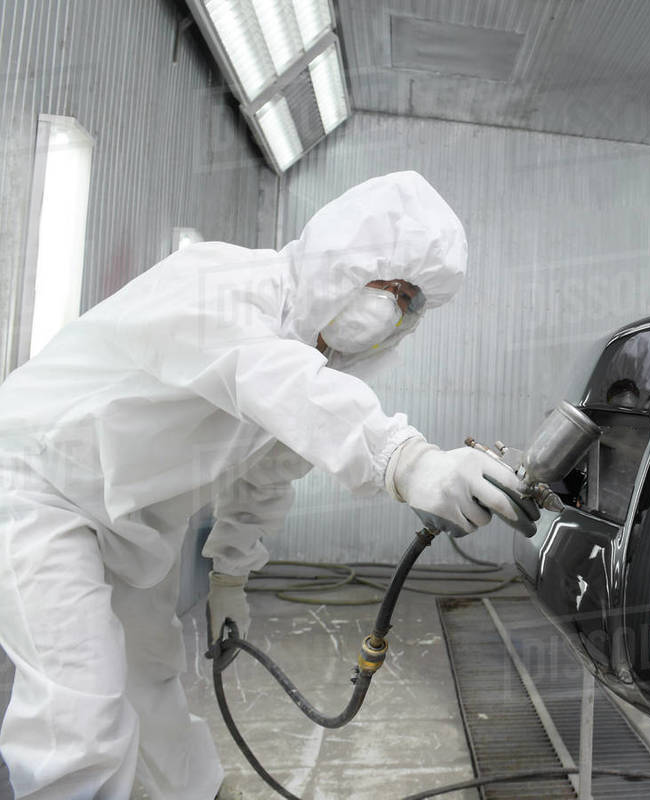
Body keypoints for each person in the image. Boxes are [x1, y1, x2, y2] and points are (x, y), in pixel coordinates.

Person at [0, 171, 530, 799]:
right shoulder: (227, 284)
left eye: (410, 302)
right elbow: (269, 376)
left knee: (149, 676)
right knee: (78, 713)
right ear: (342, 256)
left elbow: (268, 475)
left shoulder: (312, 360)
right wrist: (409, 462)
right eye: (390, 285)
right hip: (38, 486)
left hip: (131, 520)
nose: (393, 311)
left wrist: (229, 576)